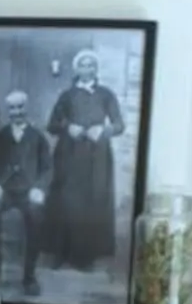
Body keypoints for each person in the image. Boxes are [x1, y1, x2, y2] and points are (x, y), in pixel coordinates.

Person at [42, 48, 128, 271]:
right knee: (64, 201)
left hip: (96, 155)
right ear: (76, 69)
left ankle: (85, 256)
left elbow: (119, 125)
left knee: (92, 201)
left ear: (96, 69)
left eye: (91, 65)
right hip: (69, 153)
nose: (87, 69)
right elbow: (51, 124)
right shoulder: (67, 95)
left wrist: (103, 130)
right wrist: (68, 127)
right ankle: (59, 252)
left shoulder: (106, 95)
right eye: (83, 65)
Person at [0, 90, 58, 297]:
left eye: (20, 107)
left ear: (26, 108)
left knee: (36, 215)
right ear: (8, 111)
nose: (16, 112)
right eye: (12, 108)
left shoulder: (38, 138)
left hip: (28, 192)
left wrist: (40, 188)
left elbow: (47, 169)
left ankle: (30, 277)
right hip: (5, 190)